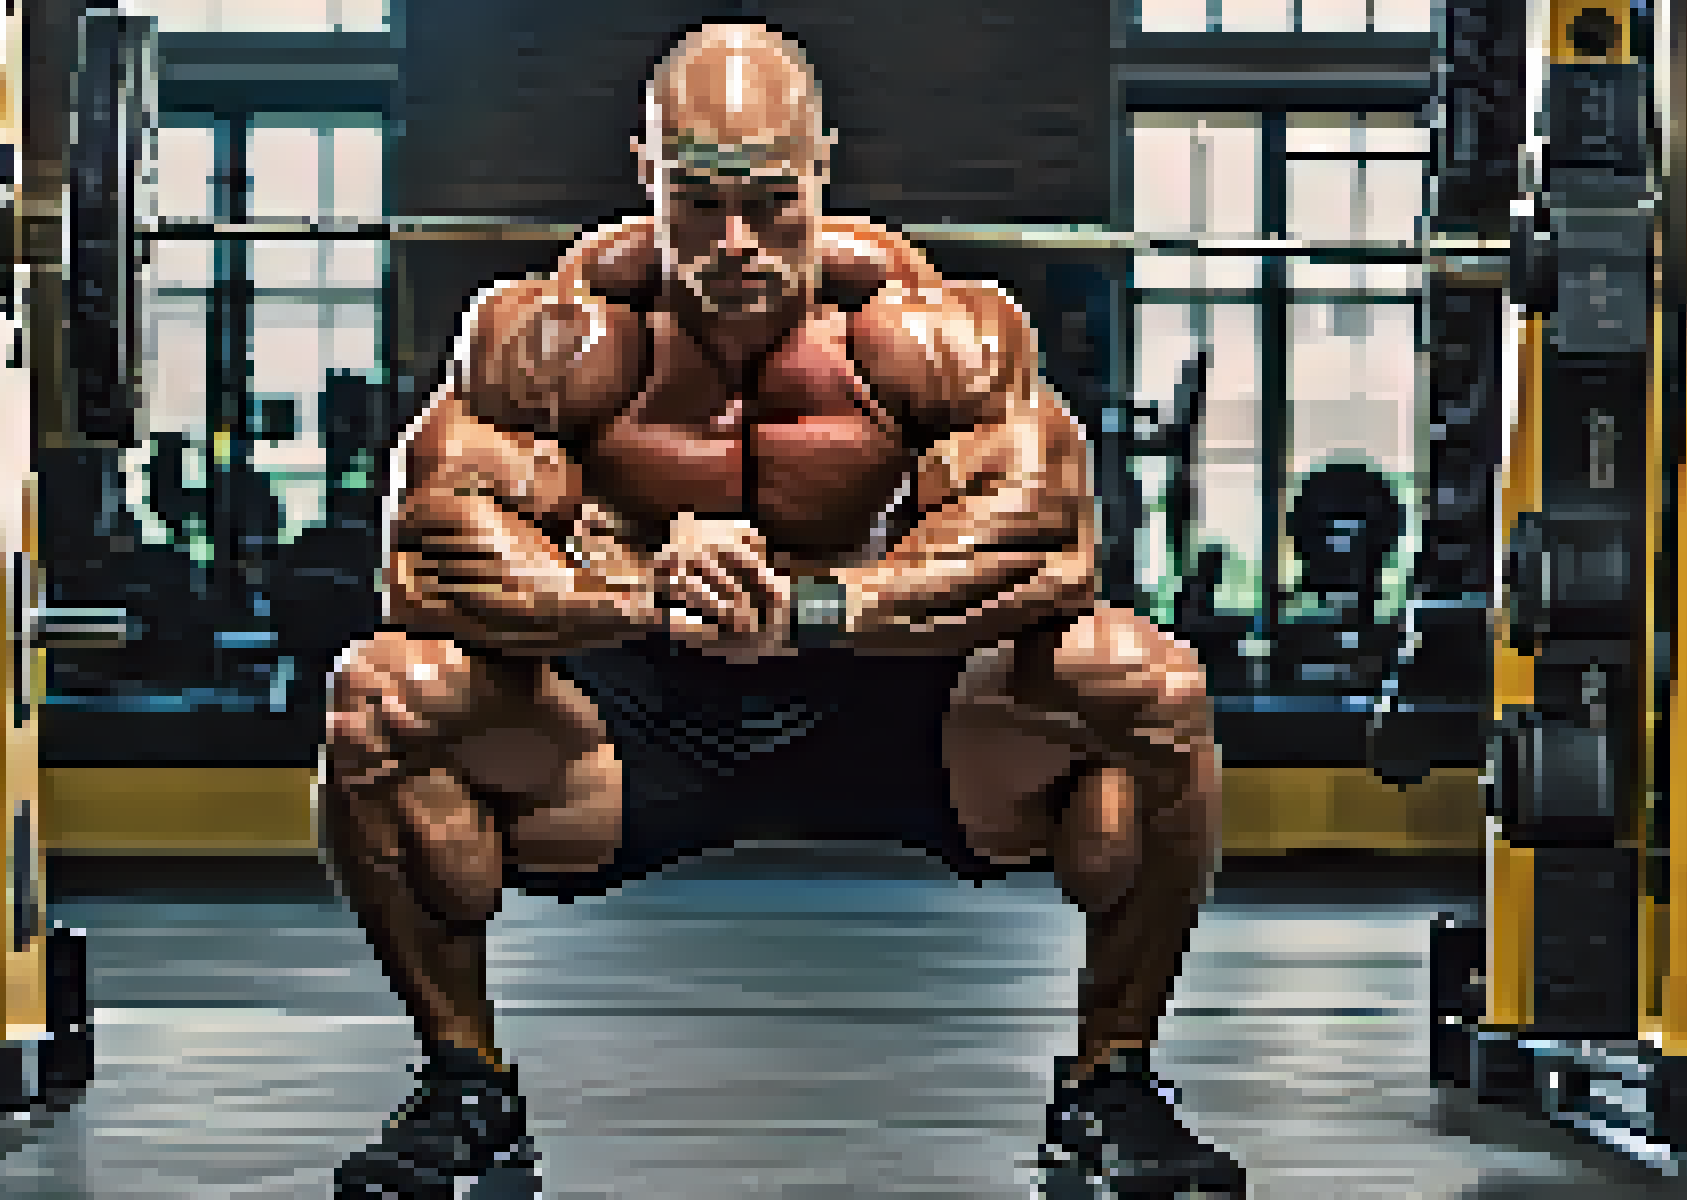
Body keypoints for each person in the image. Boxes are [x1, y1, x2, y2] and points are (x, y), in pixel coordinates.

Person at [320, 22, 1242, 1198]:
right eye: (699, 203)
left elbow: (1047, 547)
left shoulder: (927, 331)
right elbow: (432, 554)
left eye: (770, 202)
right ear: (646, 173)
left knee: (1146, 683)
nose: (736, 243)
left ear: (821, 168)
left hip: (893, 705)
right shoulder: (554, 335)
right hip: (628, 724)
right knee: (381, 698)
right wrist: (642, 595)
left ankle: (1112, 1081)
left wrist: (811, 609)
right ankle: (464, 1083)